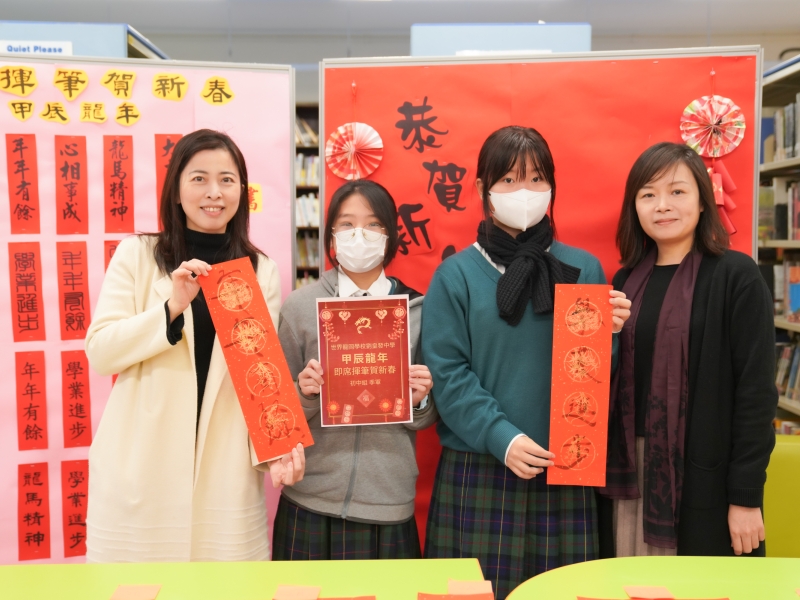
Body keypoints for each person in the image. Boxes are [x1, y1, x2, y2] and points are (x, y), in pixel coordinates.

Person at [421, 125, 631, 599]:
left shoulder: (583, 269)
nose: (525, 191)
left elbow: (595, 374)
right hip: (480, 467)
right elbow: (448, 374)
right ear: (483, 188)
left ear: (552, 186)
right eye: (510, 180)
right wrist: (504, 438)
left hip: (565, 467)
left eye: (537, 179)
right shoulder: (455, 276)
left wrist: (611, 334)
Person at [85, 129, 305, 563]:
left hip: (224, 474)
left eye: (227, 180)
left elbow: (261, 375)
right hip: (142, 466)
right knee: (138, 587)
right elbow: (102, 351)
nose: (214, 192)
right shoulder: (138, 254)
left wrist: (277, 451)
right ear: (176, 190)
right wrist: (171, 307)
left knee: (226, 586)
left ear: (242, 191)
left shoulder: (259, 269)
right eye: (199, 178)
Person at [598, 142, 776, 558]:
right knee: (626, 581)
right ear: (634, 208)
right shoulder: (624, 281)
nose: (662, 205)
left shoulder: (737, 276)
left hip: (704, 475)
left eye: (677, 191)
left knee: (698, 583)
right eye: (648, 194)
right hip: (628, 472)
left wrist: (746, 497)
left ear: (702, 200)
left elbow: (756, 394)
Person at [274, 179, 436, 560]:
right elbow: (276, 415)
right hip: (309, 498)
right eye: (347, 224)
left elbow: (428, 416)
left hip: (388, 499)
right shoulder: (300, 307)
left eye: (373, 224)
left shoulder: (416, 310)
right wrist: (305, 393)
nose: (359, 234)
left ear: (390, 235)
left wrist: (419, 400)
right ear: (331, 235)